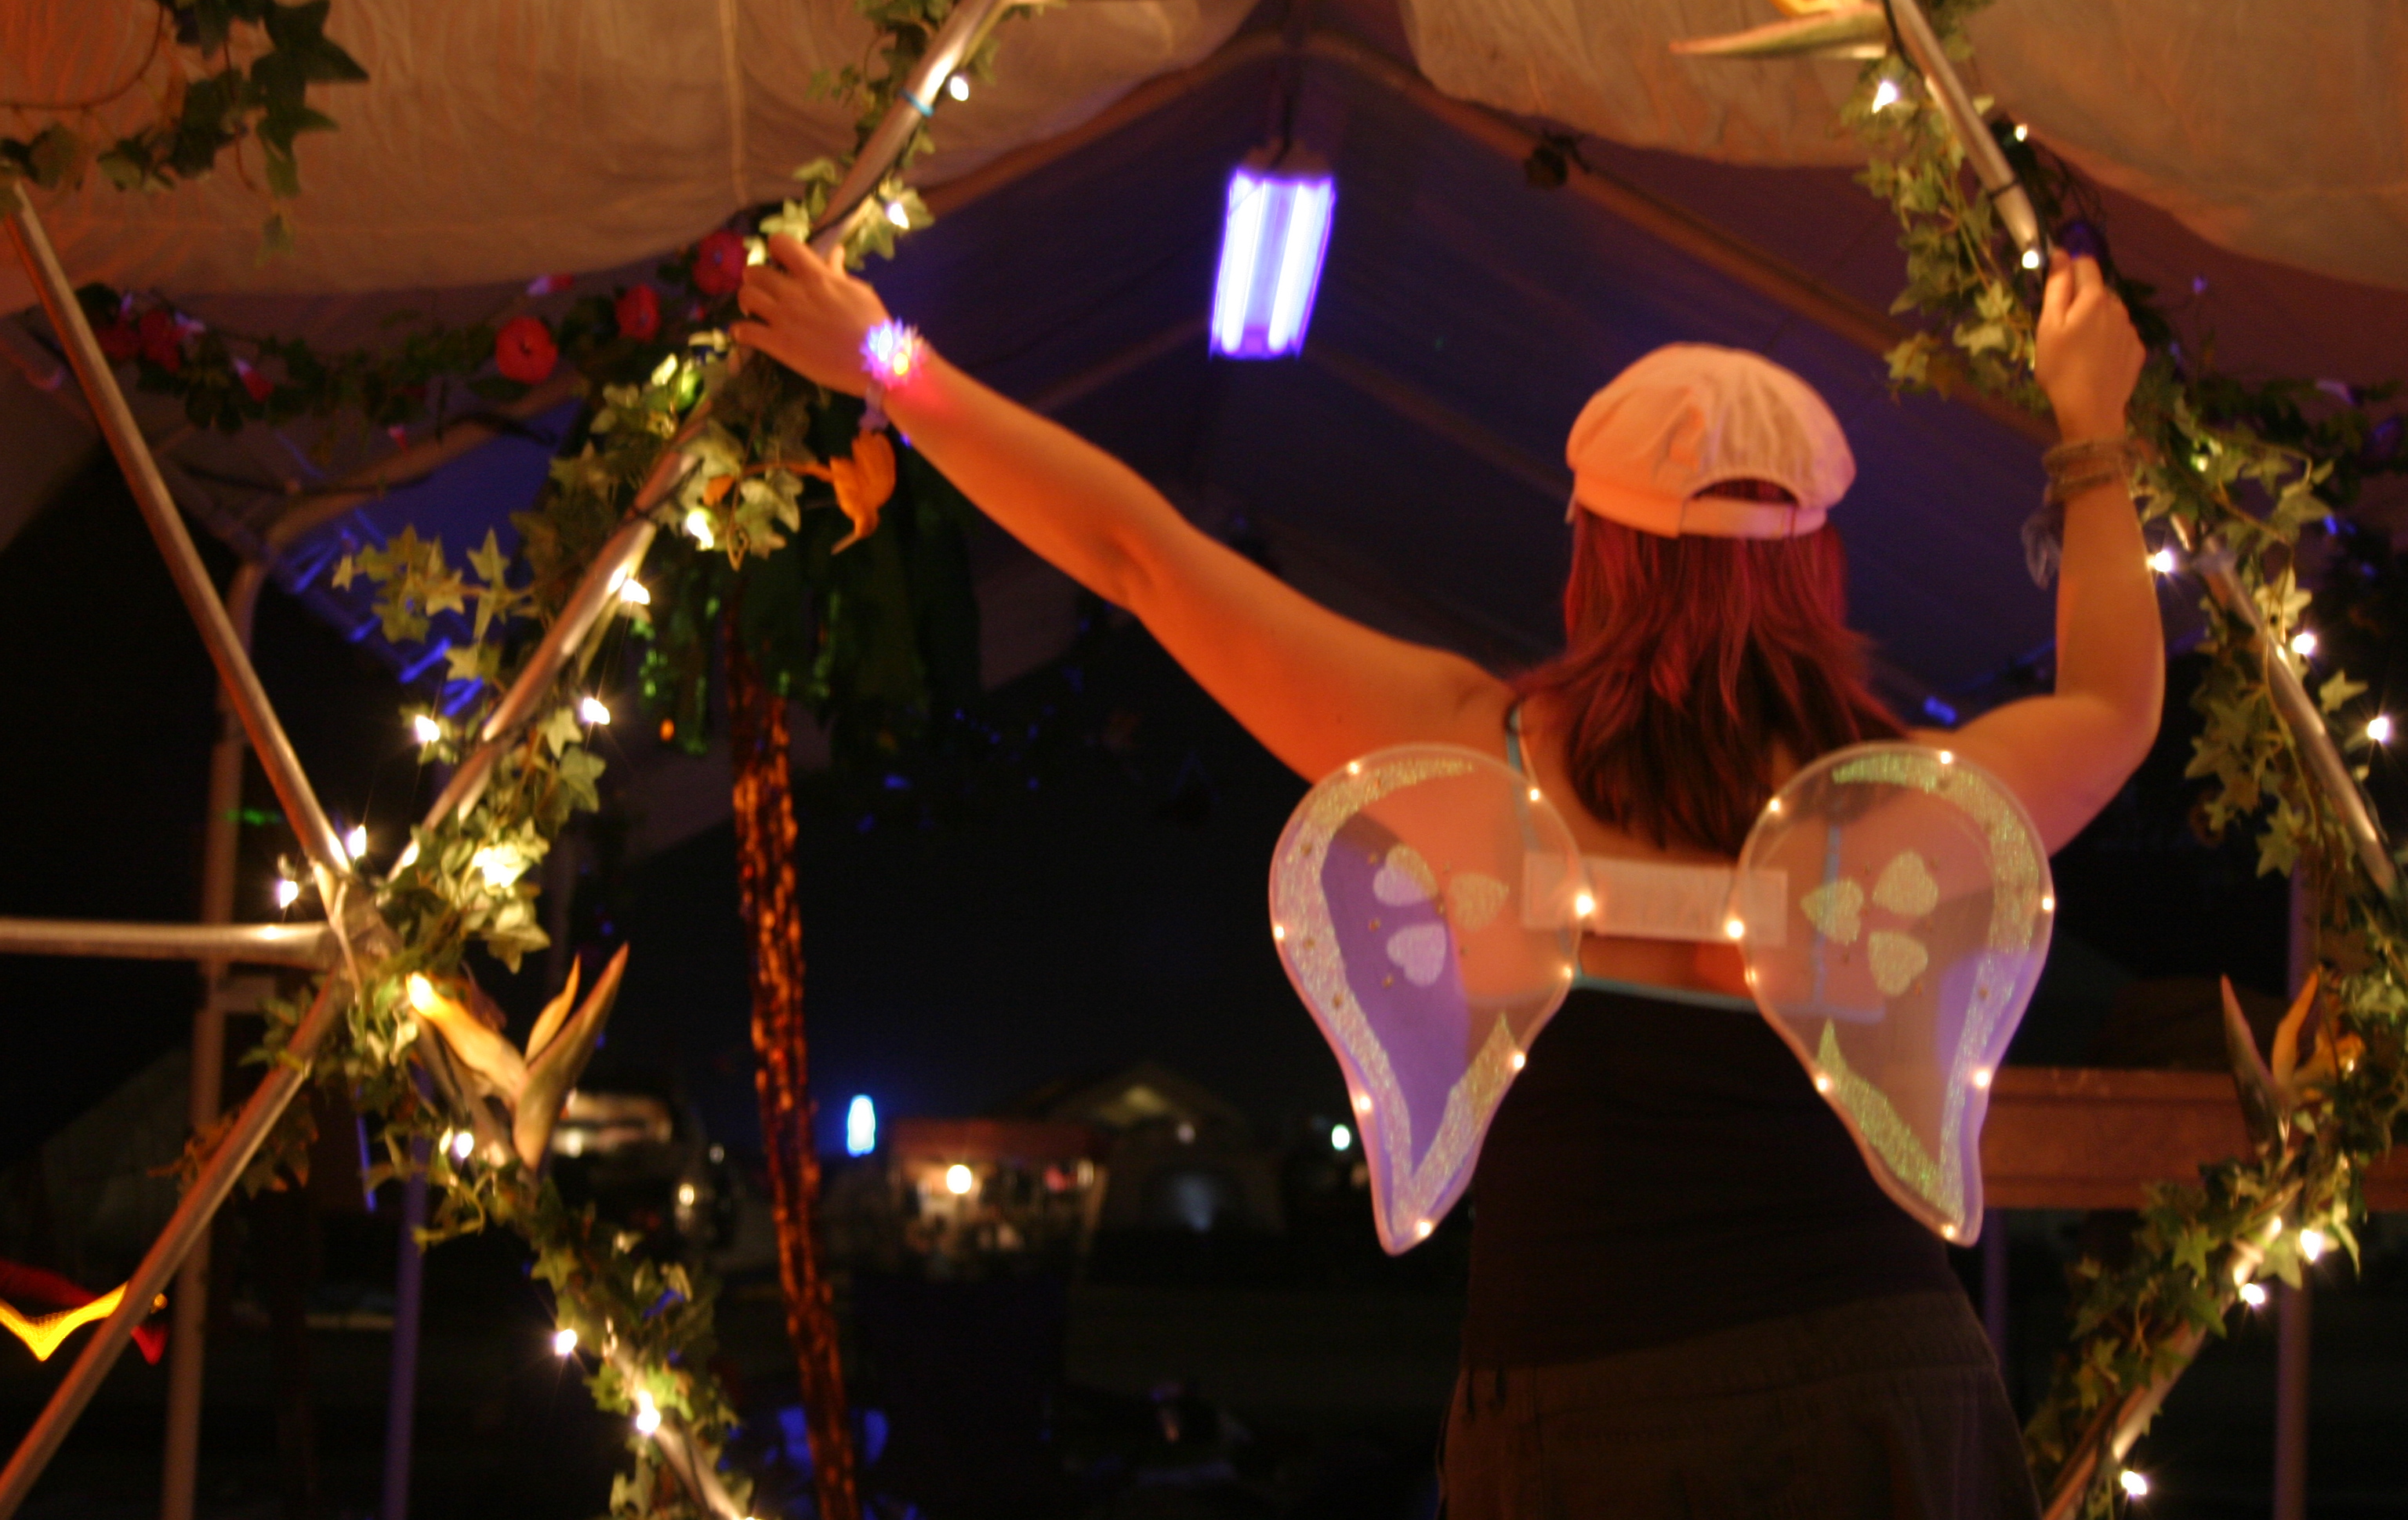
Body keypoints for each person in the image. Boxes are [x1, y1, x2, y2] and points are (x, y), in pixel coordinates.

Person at [736, 239, 2156, 1517]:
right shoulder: (1908, 808)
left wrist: (885, 361)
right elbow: (2113, 705)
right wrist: (2093, 425)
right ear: (1818, 565)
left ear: (1597, 550)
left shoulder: (1477, 758)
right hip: (1882, 1395)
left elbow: (1141, 559)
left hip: (1586, 1409)